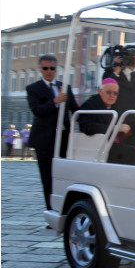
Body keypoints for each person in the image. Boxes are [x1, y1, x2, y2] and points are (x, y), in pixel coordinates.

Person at [26, 54, 79, 210]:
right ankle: (51, 210)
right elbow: (37, 110)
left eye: (52, 68)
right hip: (44, 140)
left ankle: (64, 208)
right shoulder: (33, 88)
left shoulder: (65, 87)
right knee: (47, 178)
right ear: (40, 69)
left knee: (64, 176)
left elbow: (76, 109)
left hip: (63, 138)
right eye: (45, 68)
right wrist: (55, 101)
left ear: (56, 69)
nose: (49, 71)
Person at [78, 78, 135, 165]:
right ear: (100, 91)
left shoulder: (115, 107)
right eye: (109, 92)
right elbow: (87, 127)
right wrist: (114, 128)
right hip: (99, 148)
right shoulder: (89, 105)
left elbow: (125, 122)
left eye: (115, 93)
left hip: (111, 145)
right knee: (131, 152)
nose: (112, 95)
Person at [102, 47, 135, 146]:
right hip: (120, 125)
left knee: (134, 155)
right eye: (134, 56)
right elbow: (107, 87)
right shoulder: (113, 75)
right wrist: (116, 70)